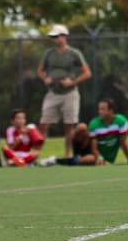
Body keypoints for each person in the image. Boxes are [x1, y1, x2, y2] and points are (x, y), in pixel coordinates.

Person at [36, 24, 91, 157]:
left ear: (64, 37)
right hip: (53, 93)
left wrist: (72, 82)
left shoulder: (74, 53)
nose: (54, 39)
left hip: (70, 94)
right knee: (44, 124)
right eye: (53, 37)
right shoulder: (49, 53)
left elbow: (86, 73)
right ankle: (35, 155)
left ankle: (67, 155)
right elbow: (40, 70)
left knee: (69, 126)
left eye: (57, 36)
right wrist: (45, 78)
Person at [87, 99, 128, 164]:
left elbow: (123, 144)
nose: (100, 112)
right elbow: (93, 148)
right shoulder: (93, 124)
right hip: (94, 157)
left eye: (103, 109)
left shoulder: (121, 122)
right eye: (99, 109)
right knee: (90, 159)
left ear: (111, 111)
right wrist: (99, 157)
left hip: (109, 160)